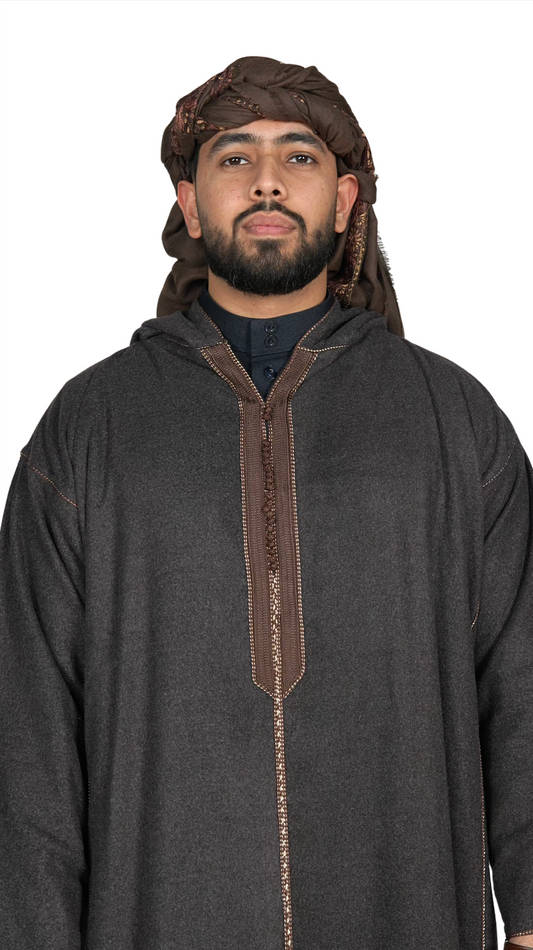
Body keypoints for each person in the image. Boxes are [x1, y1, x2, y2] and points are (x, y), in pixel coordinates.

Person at [0, 55, 531, 950]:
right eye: (235, 157)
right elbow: (28, 722)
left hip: (403, 907)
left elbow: (520, 675)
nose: (268, 180)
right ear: (189, 203)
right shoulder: (90, 427)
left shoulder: (451, 419)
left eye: (299, 156)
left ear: (346, 199)